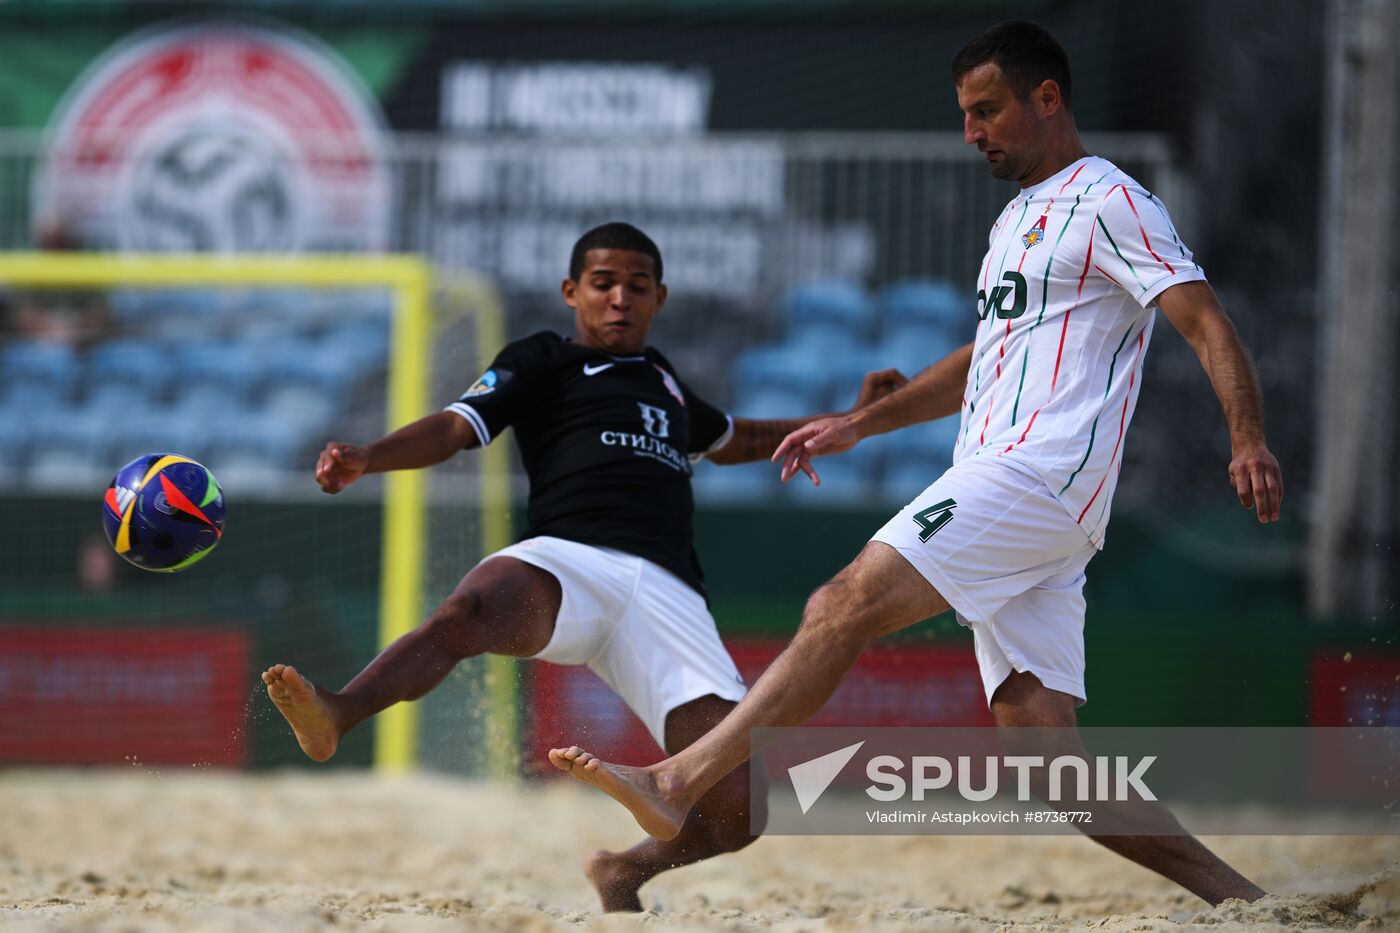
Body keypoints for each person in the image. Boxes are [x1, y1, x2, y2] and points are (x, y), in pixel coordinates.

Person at [548, 21, 1284, 908]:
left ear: (1047, 98)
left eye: (987, 111)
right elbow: (984, 356)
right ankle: (1252, 902)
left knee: (840, 604)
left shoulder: (1111, 201)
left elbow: (1206, 321)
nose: (972, 132)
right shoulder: (1017, 215)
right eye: (964, 115)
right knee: (1054, 768)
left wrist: (1247, 436)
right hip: (1027, 493)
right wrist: (863, 422)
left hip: (1036, 475)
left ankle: (679, 778)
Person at [261, 221, 905, 912]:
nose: (619, 298)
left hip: (667, 593)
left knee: (741, 806)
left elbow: (740, 438)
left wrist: (854, 417)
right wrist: (370, 455)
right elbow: (455, 427)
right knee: (467, 610)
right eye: (603, 284)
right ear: (572, 292)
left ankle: (625, 871)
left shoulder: (666, 382)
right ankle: (339, 710)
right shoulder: (543, 358)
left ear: (660, 296)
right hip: (566, 563)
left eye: (636, 286)